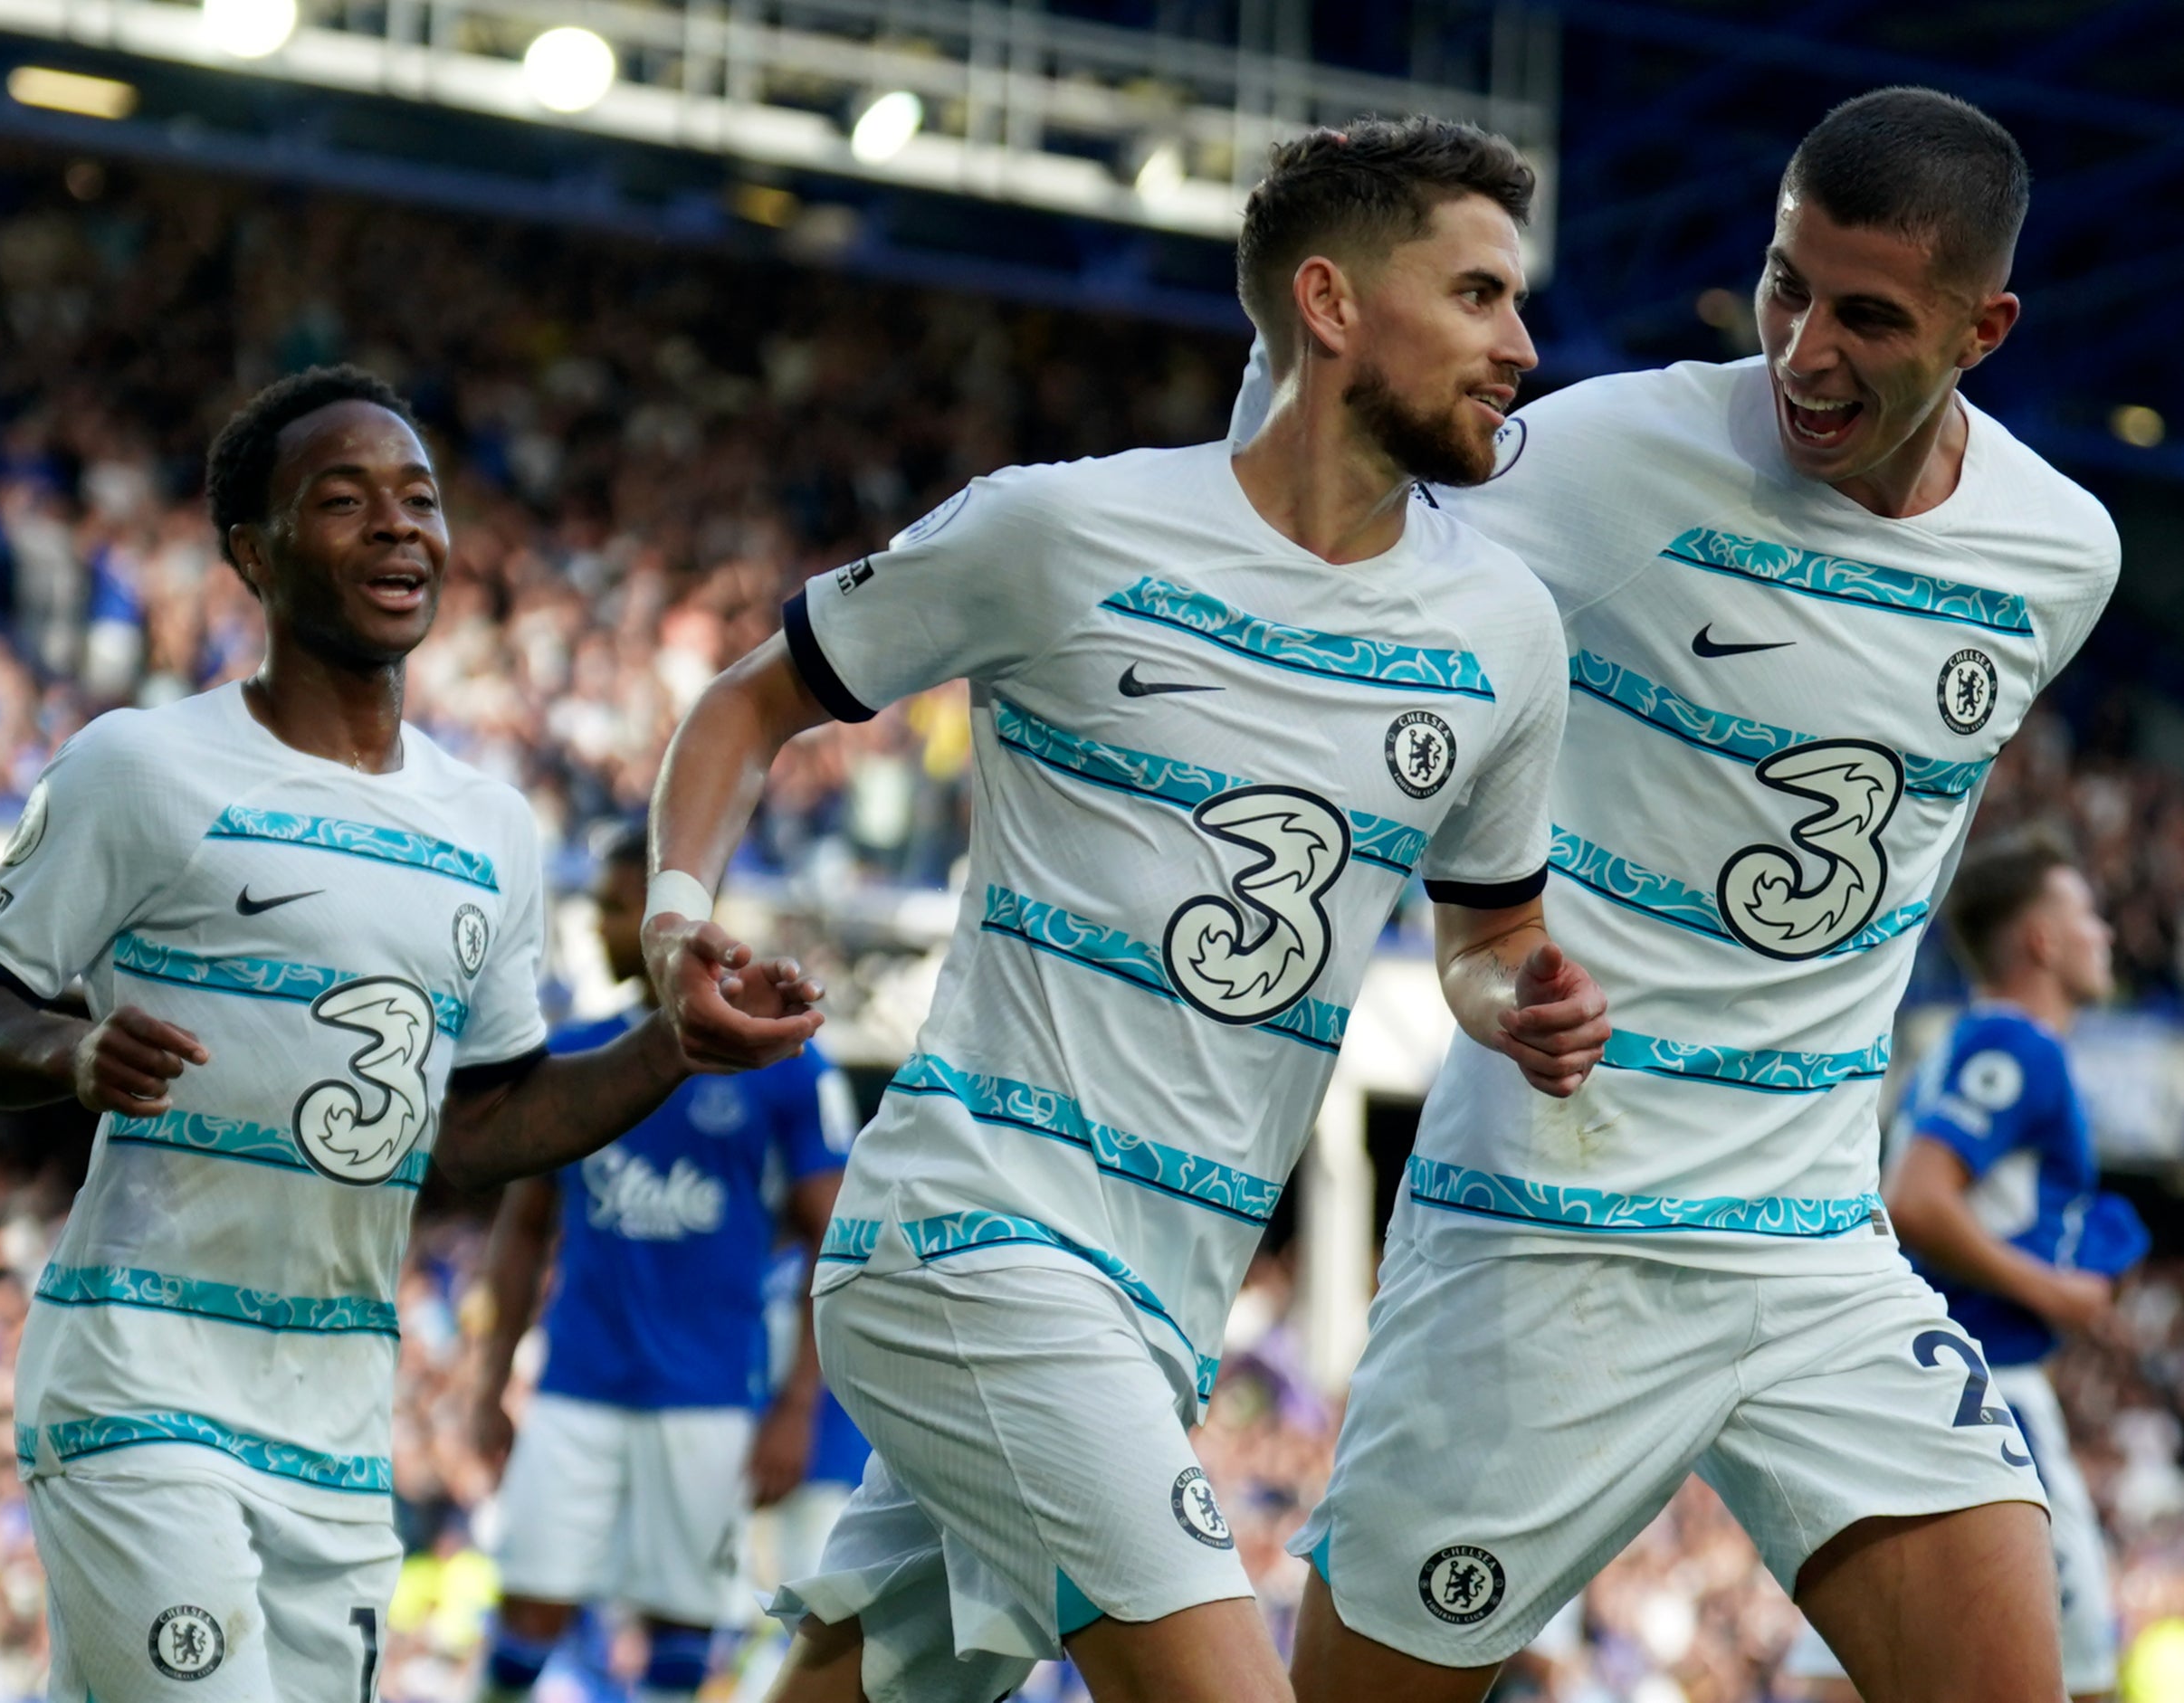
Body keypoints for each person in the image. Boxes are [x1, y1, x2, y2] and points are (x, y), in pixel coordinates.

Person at [640, 117, 1609, 1703]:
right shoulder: (1061, 530)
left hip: (1164, 1301)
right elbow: (746, 707)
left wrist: (1523, 1002)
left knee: (858, 1682)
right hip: (972, 1235)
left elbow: (1485, 938)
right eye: (1483, 294)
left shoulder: (1504, 630)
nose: (1522, 344)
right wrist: (677, 920)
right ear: (1331, 302)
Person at [1237, 88, 2122, 1703]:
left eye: (1869, 316)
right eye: (1788, 287)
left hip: (1811, 1244)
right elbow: (1316, 544)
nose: (1804, 352)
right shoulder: (1607, 456)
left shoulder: (2058, 556)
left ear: (1984, 329)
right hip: (1549, 1229)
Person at [0, 366, 818, 1703]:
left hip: (334, 1423)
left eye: (420, 499)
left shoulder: (491, 827)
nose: (400, 527)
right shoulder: (142, 768)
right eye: (343, 501)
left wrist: (671, 1046)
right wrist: (71, 1052)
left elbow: (489, 1120)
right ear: (252, 553)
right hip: (138, 1376)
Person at [472, 824, 854, 1703]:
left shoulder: (780, 1065)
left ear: (666, 922)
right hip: (576, 1383)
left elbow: (832, 1241)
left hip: (712, 1397)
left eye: (613, 906)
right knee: (526, 1611)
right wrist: (489, 1378)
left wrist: (798, 1405)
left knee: (684, 1632)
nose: (599, 923)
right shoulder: (567, 1052)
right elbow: (524, 1224)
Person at [1881, 829, 2141, 1703]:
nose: (2104, 933)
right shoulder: (2014, 1047)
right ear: (2040, 940)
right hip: (1988, 1391)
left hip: (1921, 1389)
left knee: (1860, 1679)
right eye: (2087, 915)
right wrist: (2056, 1292)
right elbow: (1914, 1196)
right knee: (2081, 1679)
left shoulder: (1964, 1041)